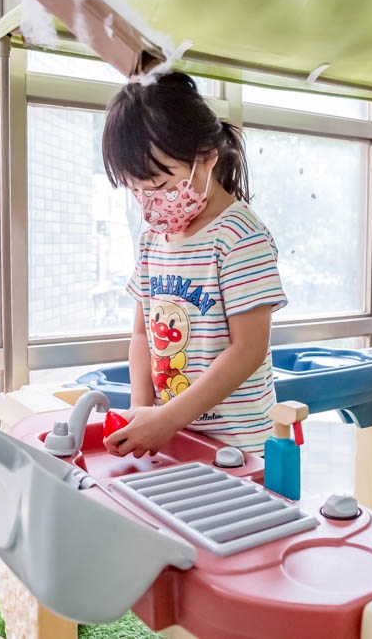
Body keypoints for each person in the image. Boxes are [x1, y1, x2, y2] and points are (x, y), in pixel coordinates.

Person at [101, 71, 287, 458]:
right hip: (174, 437)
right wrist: (143, 410)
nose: (149, 203)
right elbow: (141, 335)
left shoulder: (239, 235)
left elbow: (248, 349)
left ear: (205, 161)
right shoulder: (153, 238)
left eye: (160, 187)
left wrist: (167, 418)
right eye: (136, 190)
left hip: (237, 449)